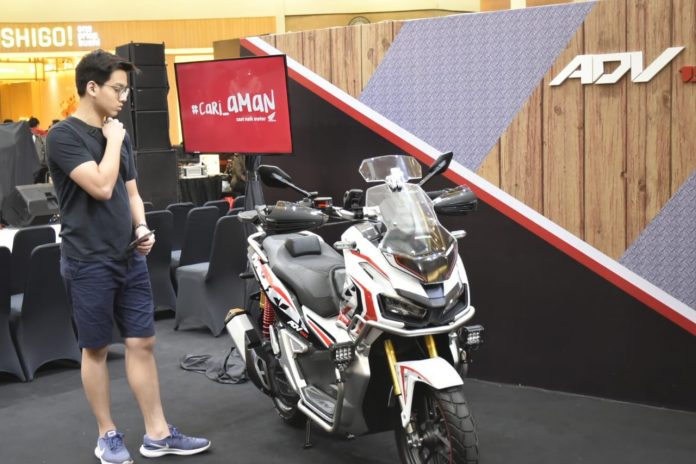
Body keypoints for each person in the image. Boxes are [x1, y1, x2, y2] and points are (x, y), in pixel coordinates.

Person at [46, 49, 210, 464]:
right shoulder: (63, 136)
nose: (123, 98)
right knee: (96, 349)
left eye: (126, 91)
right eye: (118, 89)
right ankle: (107, 435)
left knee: (142, 342)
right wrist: (114, 140)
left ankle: (158, 433)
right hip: (87, 261)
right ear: (92, 87)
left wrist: (141, 227)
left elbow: (131, 193)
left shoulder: (118, 132)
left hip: (128, 256)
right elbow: (102, 186)